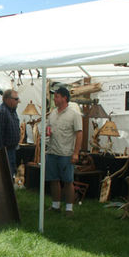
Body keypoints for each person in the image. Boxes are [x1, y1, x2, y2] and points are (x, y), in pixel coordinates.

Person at [45, 86, 83, 216]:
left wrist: (76, 153)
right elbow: (48, 128)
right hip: (52, 152)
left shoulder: (74, 114)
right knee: (53, 180)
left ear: (64, 98)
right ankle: (55, 206)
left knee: (68, 181)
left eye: (56, 96)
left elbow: (79, 134)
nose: (54, 99)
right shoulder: (52, 113)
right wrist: (48, 132)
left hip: (66, 154)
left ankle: (69, 208)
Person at [0, 89, 21, 177]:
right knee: (5, 176)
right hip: (5, 151)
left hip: (11, 149)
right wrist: (1, 155)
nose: (18, 101)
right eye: (16, 99)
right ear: (7, 99)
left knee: (10, 174)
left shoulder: (12, 112)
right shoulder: (1, 112)